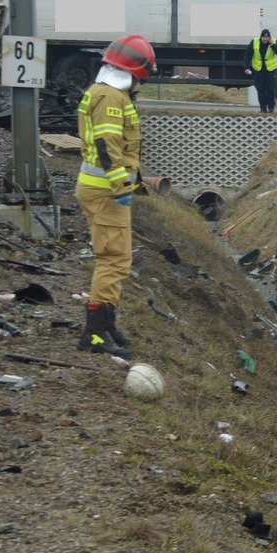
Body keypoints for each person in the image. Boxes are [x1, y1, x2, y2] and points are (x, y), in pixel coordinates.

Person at [75, 34, 157, 359]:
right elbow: (107, 147)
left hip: (98, 188)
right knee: (113, 260)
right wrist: (122, 187)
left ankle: (106, 323)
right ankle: (93, 334)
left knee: (115, 257)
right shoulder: (112, 98)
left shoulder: (101, 91)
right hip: (107, 191)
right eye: (141, 77)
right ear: (134, 72)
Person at [243, 29, 277, 113]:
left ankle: (271, 106)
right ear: (261, 37)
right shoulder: (254, 42)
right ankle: (263, 107)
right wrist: (246, 67)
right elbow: (247, 55)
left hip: (270, 69)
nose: (265, 39)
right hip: (258, 69)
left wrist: (273, 45)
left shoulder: (274, 42)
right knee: (260, 89)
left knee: (270, 89)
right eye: (263, 37)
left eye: (267, 37)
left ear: (269, 37)